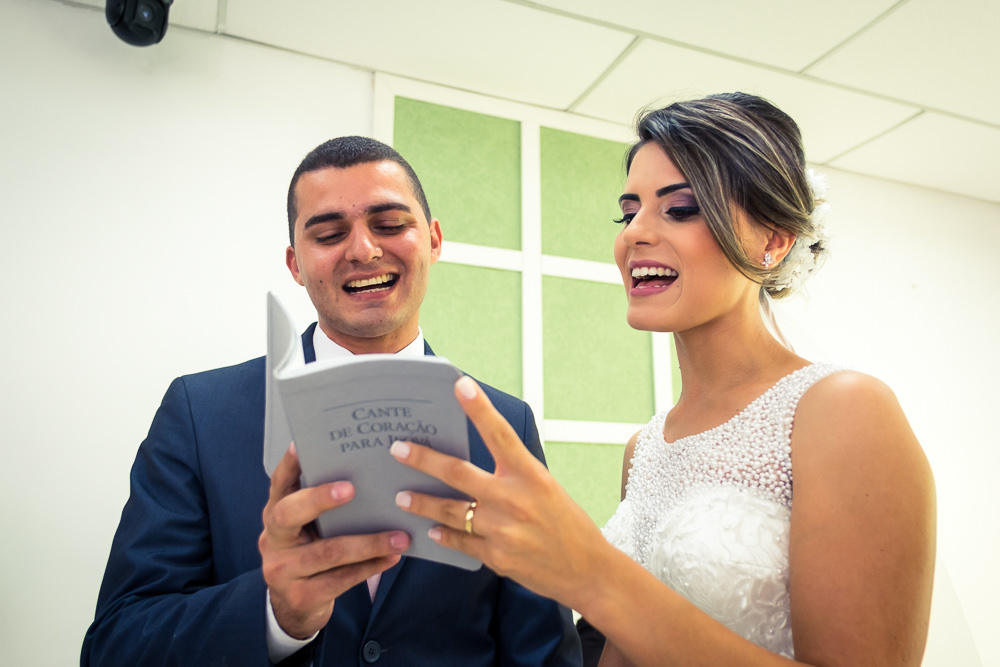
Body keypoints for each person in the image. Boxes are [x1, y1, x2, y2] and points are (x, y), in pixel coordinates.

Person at [389, 92, 936, 666]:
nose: (635, 235)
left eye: (680, 209)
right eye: (628, 213)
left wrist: (589, 573)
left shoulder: (843, 411)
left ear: (773, 240)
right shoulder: (644, 450)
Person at [81, 136, 581, 666]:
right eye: (329, 233)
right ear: (296, 263)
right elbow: (116, 644)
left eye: (389, 225)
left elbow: (544, 651)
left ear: (433, 240)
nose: (364, 250)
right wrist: (276, 616)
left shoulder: (506, 423)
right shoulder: (199, 413)